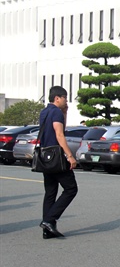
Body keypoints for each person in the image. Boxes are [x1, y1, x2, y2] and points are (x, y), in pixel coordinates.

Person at [39, 86, 78, 239]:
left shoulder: (45, 112)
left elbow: (58, 128)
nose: (66, 101)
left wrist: (65, 113)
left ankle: (48, 229)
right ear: (57, 98)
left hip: (45, 156)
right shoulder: (55, 112)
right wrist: (70, 156)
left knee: (50, 192)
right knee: (71, 189)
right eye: (65, 98)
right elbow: (60, 135)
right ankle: (49, 220)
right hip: (57, 156)